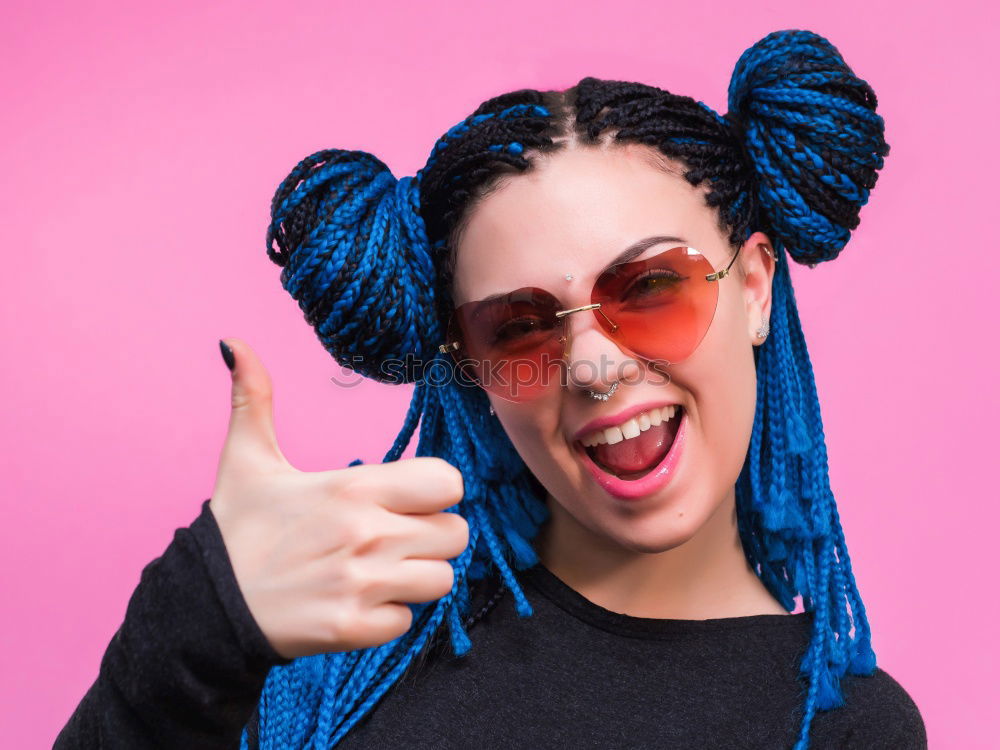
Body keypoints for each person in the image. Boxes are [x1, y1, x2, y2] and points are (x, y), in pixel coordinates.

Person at [55, 28, 927, 750]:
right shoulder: (343, 659)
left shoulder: (847, 730)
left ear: (754, 288)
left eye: (652, 289)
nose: (592, 366)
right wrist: (194, 626)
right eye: (520, 328)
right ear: (468, 365)